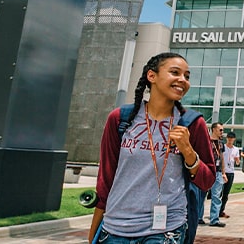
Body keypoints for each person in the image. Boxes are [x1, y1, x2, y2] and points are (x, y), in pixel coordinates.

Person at [88, 52, 216, 244]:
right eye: (175, 72)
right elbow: (106, 178)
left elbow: (208, 180)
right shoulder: (120, 119)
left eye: (187, 76)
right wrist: (94, 233)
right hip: (116, 228)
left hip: (167, 230)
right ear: (152, 76)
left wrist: (188, 151)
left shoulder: (191, 123)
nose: (182, 80)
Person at [204, 122, 227, 227]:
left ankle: (214, 219)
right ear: (214, 129)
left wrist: (223, 172)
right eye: (220, 130)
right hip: (207, 171)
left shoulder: (221, 143)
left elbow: (222, 158)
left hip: (217, 172)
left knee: (217, 196)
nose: (222, 132)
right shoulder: (206, 141)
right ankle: (199, 218)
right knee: (202, 195)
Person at [220, 131, 239, 218]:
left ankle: (221, 210)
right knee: (219, 192)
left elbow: (238, 163)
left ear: (234, 139)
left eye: (232, 138)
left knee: (226, 194)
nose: (230, 140)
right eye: (229, 138)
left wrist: (237, 160)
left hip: (231, 172)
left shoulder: (236, 149)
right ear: (226, 138)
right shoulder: (223, 147)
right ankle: (216, 210)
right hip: (223, 171)